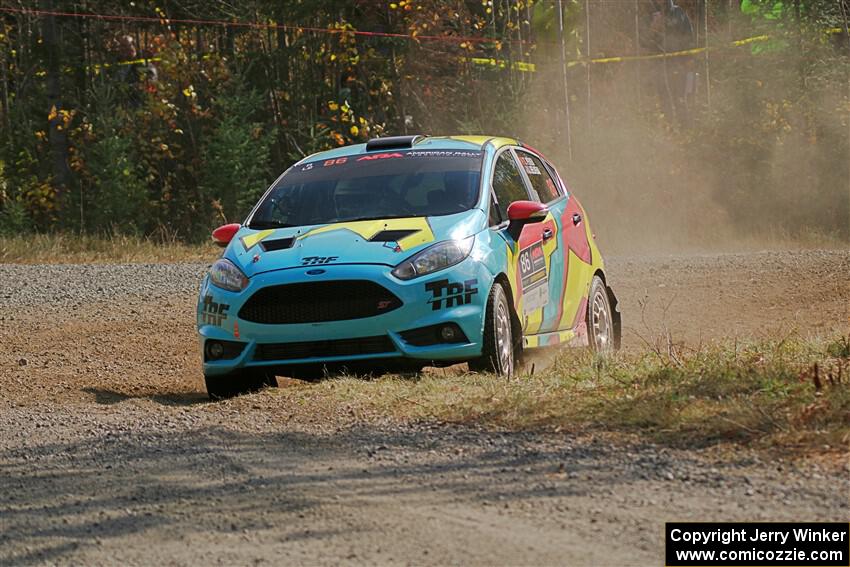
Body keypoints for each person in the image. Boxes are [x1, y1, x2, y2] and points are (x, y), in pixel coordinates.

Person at [641, 0, 696, 125]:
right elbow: (644, 42)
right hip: (658, 63)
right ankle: (669, 126)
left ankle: (685, 126)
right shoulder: (649, 16)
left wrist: (689, 57)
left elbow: (688, 34)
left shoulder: (678, 12)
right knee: (663, 96)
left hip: (678, 61)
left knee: (680, 96)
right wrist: (653, 29)